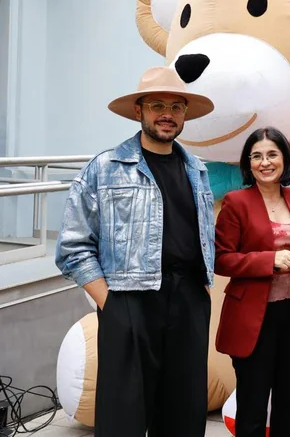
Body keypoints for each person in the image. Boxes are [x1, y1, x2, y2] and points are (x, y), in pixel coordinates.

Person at [55, 66, 217, 437]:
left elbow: (203, 237)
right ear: (138, 111)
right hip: (128, 300)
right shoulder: (106, 167)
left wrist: (202, 290)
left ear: (185, 115)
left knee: (184, 409)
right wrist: (110, 305)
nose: (167, 114)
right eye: (157, 105)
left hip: (188, 299)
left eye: (177, 107)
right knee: (123, 414)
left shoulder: (197, 170)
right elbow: (73, 246)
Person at [214, 126, 290, 437]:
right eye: (257, 156)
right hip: (252, 319)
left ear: (285, 159)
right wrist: (269, 260)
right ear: (248, 164)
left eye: (272, 154)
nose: (265, 162)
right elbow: (221, 259)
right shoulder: (236, 202)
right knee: (253, 402)